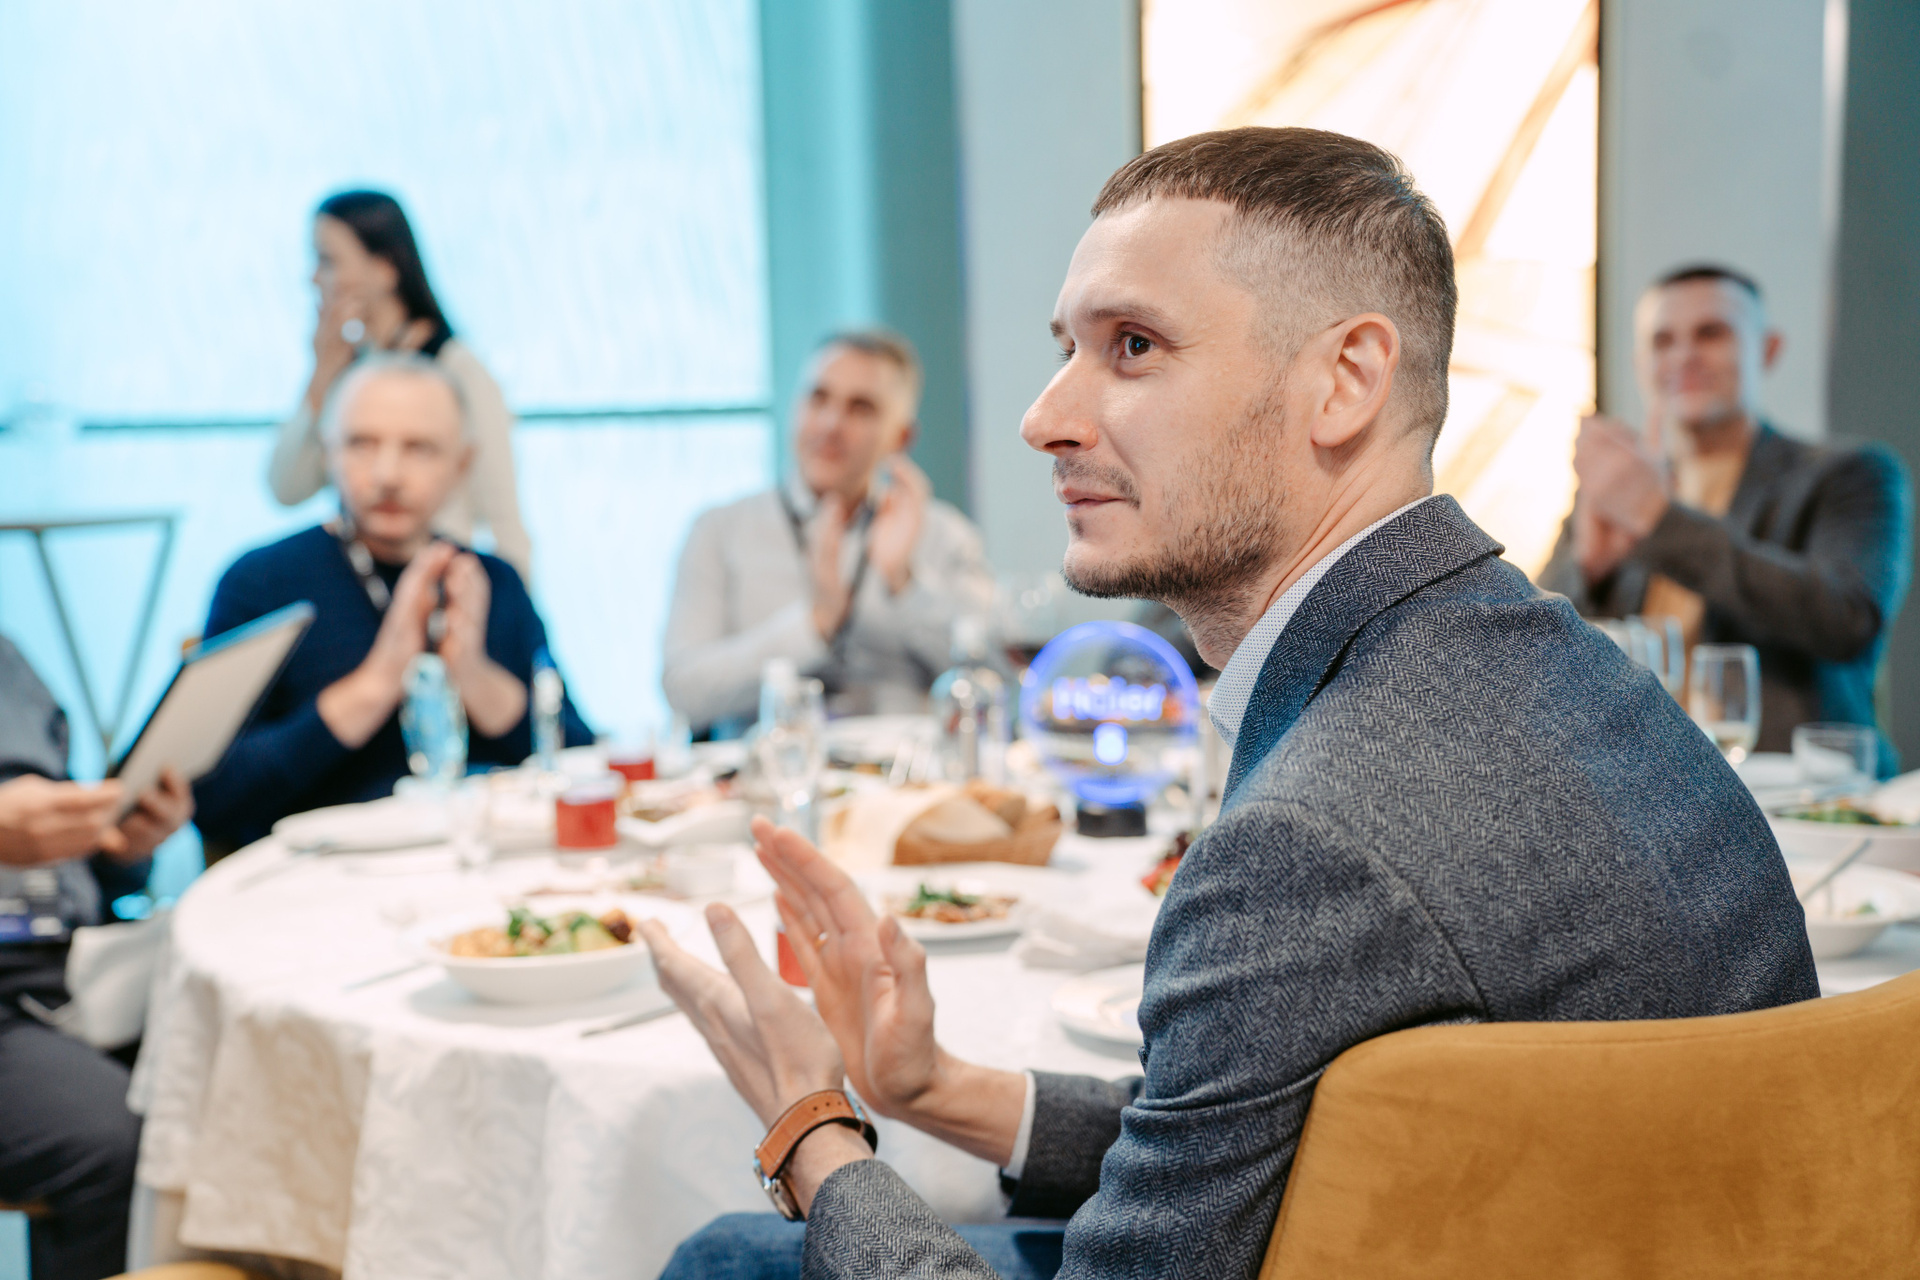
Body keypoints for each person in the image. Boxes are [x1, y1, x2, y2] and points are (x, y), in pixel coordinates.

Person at [635, 128, 1819, 1279]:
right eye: (1068, 347)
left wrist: (812, 1126)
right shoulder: (1567, 667)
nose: (1044, 418)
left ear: (1345, 381)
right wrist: (935, 1087)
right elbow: (1261, 1122)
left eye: (1133, 346)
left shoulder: (1306, 842)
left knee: (725, 1255)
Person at [195, 354, 589, 855]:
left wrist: (473, 674)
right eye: (361, 443)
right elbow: (210, 797)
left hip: (482, 864)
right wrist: (378, 681)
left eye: (419, 448)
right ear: (327, 452)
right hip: (318, 878)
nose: (387, 474)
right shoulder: (262, 581)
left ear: (462, 464)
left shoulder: (491, 581)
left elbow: (583, 761)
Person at [1538, 265, 1912, 770]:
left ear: (1767, 349)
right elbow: (1532, 644)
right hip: (1642, 782)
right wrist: (1589, 570)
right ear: (1641, 363)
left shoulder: (1851, 474)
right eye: (1663, 341)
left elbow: (1848, 619)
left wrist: (1659, 520)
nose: (1684, 356)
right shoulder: (1621, 486)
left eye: (1711, 333)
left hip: (1799, 790)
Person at [662, 331, 994, 735]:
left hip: (907, 769)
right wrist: (814, 624)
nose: (831, 424)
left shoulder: (943, 534)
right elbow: (682, 689)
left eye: (861, 408)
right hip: (766, 766)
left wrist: (905, 584)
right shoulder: (719, 531)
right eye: (818, 399)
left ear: (901, 438)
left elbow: (997, 680)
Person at [0, 636, 194, 1280]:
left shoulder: (8, 664)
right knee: (120, 1146)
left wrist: (123, 848)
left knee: (244, 1066)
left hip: (71, 963)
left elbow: (80, 878)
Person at [267, 189, 535, 582]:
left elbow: (503, 516)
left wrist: (511, 610)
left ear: (385, 267)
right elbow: (286, 488)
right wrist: (321, 376)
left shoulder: (458, 370)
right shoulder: (347, 373)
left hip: (437, 587)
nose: (313, 278)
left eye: (328, 261)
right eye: (362, 443)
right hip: (361, 584)